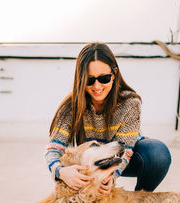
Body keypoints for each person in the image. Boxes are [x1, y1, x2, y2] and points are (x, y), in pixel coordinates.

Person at [45, 42, 171, 194]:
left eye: (104, 78)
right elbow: (54, 148)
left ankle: (140, 202)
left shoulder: (130, 104)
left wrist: (112, 176)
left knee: (158, 153)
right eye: (89, 80)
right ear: (80, 79)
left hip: (124, 158)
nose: (97, 86)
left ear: (114, 74)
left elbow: (127, 150)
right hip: (93, 163)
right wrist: (61, 172)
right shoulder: (71, 107)